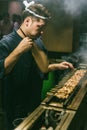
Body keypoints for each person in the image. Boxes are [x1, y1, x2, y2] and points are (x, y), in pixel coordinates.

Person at [0, 1, 74, 130]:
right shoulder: (6, 43)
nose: (42, 32)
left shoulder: (38, 42)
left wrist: (56, 66)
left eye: (43, 28)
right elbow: (3, 70)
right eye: (39, 27)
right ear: (27, 21)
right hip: (15, 106)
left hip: (35, 104)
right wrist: (18, 50)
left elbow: (40, 68)